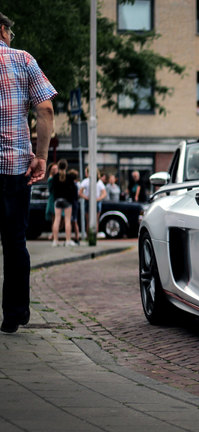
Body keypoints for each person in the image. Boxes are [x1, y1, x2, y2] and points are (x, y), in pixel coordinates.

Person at [0, 12, 57, 333]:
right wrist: (41, 156)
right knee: (14, 241)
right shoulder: (21, 59)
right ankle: (14, 314)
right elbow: (45, 108)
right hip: (13, 167)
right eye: (10, 32)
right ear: (2, 30)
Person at [50, 159, 78, 247]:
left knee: (57, 220)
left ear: (58, 167)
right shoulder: (70, 177)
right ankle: (68, 240)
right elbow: (74, 190)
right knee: (67, 221)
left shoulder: (55, 177)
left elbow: (52, 190)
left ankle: (55, 241)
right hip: (67, 201)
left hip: (57, 200)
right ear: (66, 167)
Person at [79, 167, 107, 233]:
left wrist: (89, 198)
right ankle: (93, 236)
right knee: (95, 220)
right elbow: (104, 193)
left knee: (89, 220)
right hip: (94, 201)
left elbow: (80, 193)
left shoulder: (87, 181)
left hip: (92, 201)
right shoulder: (97, 182)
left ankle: (90, 236)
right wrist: (97, 199)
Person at [45, 162, 58, 239]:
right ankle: (53, 234)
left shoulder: (54, 178)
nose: (56, 170)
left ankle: (54, 234)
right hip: (53, 200)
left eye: (56, 168)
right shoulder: (51, 179)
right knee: (54, 219)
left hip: (55, 199)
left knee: (56, 219)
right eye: (54, 169)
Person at [68, 168, 81, 242]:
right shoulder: (78, 184)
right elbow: (78, 195)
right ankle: (77, 237)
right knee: (75, 221)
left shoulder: (71, 185)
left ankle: (69, 237)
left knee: (69, 221)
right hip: (75, 203)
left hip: (70, 203)